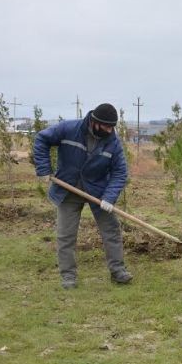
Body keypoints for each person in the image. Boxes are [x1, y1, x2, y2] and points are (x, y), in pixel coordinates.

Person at [33, 103, 131, 289]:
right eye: (106, 126)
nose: (110, 130)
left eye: (112, 127)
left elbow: (120, 172)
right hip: (68, 188)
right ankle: (68, 276)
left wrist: (109, 198)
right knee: (66, 235)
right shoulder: (69, 129)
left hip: (98, 191)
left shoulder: (113, 143)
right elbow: (41, 139)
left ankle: (118, 271)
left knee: (111, 231)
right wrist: (44, 169)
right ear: (94, 122)